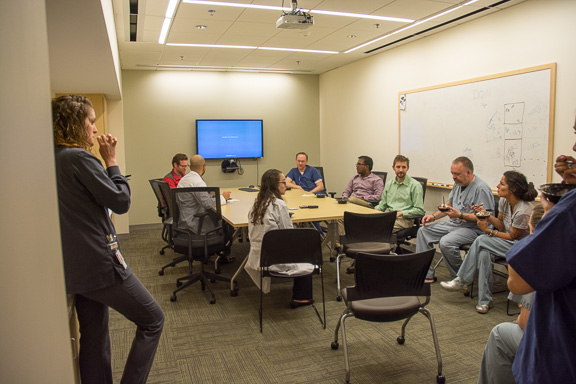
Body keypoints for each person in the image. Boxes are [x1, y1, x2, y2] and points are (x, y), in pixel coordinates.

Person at [52, 95, 164, 384]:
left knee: (94, 340)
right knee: (153, 320)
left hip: (75, 269)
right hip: (101, 265)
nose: (94, 128)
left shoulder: (53, 158)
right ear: (76, 124)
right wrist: (111, 162)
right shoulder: (78, 157)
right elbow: (121, 200)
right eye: (90, 121)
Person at [505, 117, 576, 384]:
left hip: (562, 357)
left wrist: (548, 213)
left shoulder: (568, 212)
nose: (574, 145)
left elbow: (518, 281)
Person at [440, 170, 537, 313]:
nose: (497, 186)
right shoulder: (504, 201)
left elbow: (512, 236)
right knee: (484, 252)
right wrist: (485, 213)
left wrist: (488, 231)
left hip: (521, 248)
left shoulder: (524, 210)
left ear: (513, 189)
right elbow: (500, 225)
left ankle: (462, 280)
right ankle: (485, 301)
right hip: (506, 243)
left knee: (481, 239)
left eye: (502, 184)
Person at [477, 205, 544, 384]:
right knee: (482, 249)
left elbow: (525, 322)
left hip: (558, 343)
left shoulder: (543, 261)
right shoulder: (505, 205)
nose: (498, 186)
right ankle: (479, 295)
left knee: (500, 333)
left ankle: (465, 282)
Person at [416, 156, 495, 282]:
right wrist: (433, 216)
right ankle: (426, 275)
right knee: (423, 231)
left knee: (446, 242)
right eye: (452, 173)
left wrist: (460, 215)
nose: (453, 177)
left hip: (474, 228)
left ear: (468, 173)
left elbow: (486, 218)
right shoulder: (458, 184)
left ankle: (461, 279)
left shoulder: (481, 189)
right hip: (456, 224)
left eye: (457, 174)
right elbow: (450, 205)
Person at [244, 169, 314, 306]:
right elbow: (289, 235)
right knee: (308, 252)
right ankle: (301, 297)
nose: (286, 184)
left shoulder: (256, 204)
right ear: (275, 185)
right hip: (276, 258)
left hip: (258, 256)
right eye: (283, 182)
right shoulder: (279, 204)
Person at [178, 154, 232, 233]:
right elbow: (207, 203)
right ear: (204, 167)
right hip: (195, 224)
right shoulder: (198, 182)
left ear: (190, 167)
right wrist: (223, 197)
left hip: (183, 221)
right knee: (224, 224)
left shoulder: (184, 179)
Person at [375, 155, 425, 233]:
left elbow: (420, 210)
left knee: (379, 228)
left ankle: (387, 245)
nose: (401, 170)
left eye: (403, 167)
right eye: (398, 167)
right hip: (390, 217)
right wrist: (374, 211)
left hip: (405, 220)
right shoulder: (389, 184)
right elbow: (383, 205)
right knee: (369, 223)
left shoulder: (415, 185)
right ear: (393, 168)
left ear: (408, 168)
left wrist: (402, 213)